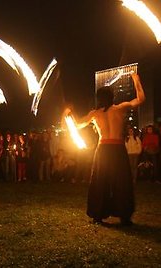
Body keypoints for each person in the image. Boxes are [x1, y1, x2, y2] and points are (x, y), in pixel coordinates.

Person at [64, 73, 145, 226]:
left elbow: (77, 124)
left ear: (99, 99)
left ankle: (98, 215)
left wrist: (69, 114)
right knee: (121, 182)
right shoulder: (120, 108)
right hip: (117, 149)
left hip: (103, 150)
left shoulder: (94, 114)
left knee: (100, 181)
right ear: (112, 97)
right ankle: (124, 216)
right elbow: (140, 99)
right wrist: (136, 80)